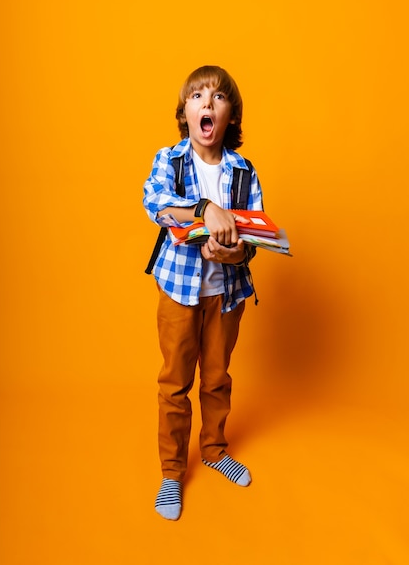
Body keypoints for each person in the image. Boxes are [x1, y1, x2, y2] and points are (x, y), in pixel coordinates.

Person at [143, 65, 264, 520]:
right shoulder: (170, 161)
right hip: (178, 290)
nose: (206, 103)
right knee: (176, 382)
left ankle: (214, 449)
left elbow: (254, 236)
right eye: (197, 96)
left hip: (226, 295)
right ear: (185, 112)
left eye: (217, 97)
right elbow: (156, 205)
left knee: (217, 377)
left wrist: (237, 255)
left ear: (230, 116)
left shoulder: (243, 171)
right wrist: (204, 207)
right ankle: (172, 472)